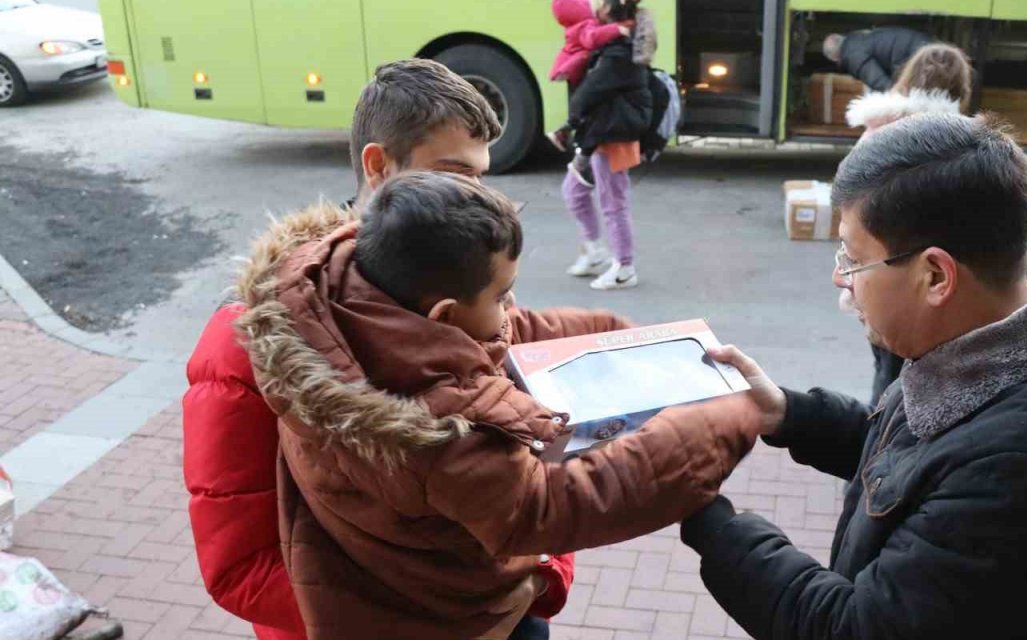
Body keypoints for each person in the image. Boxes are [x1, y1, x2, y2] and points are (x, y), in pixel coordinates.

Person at [234, 172, 764, 639]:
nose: (513, 304)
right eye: (502, 294)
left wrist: (623, 341)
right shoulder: (430, 437)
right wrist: (729, 414)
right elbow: (555, 504)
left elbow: (505, 335)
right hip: (451, 623)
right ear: (441, 316)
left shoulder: (350, 296)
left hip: (402, 596)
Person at [680, 113, 1027, 639]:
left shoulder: (1021, 464)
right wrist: (786, 413)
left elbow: (851, 630)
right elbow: (918, 459)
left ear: (935, 275)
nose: (840, 277)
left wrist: (709, 519)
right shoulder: (1012, 335)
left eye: (853, 259)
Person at [182, 59, 575, 640]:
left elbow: (531, 462)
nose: (473, 197)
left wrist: (540, 577)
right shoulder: (251, 338)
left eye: (481, 178)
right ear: (377, 166)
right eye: (452, 174)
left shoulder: (469, 283)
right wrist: (453, 620)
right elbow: (239, 567)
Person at [843, 42, 972, 407]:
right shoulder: (961, 142)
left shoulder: (875, 132)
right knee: (921, 380)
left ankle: (877, 445)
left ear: (907, 77)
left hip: (874, 273)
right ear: (960, 88)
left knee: (886, 373)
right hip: (933, 279)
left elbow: (850, 205)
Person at [561, 0, 655, 290]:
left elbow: (588, 93)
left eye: (600, 4)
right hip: (598, 135)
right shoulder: (610, 45)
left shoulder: (619, 53)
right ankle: (594, 251)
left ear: (610, 15)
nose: (593, 8)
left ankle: (624, 267)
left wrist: (570, 122)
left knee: (614, 202)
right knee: (573, 191)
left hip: (614, 137)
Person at [546, 0, 635, 155]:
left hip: (579, 73)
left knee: (584, 113)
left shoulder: (578, 24)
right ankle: (573, 144)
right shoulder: (585, 24)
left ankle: (573, 143)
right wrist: (617, 29)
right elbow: (592, 38)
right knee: (585, 114)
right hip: (580, 73)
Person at [822, 26, 932, 93]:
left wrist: (896, 95)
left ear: (835, 58)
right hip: (921, 45)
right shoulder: (858, 38)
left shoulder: (852, 56)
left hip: (918, 57)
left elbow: (878, 79)